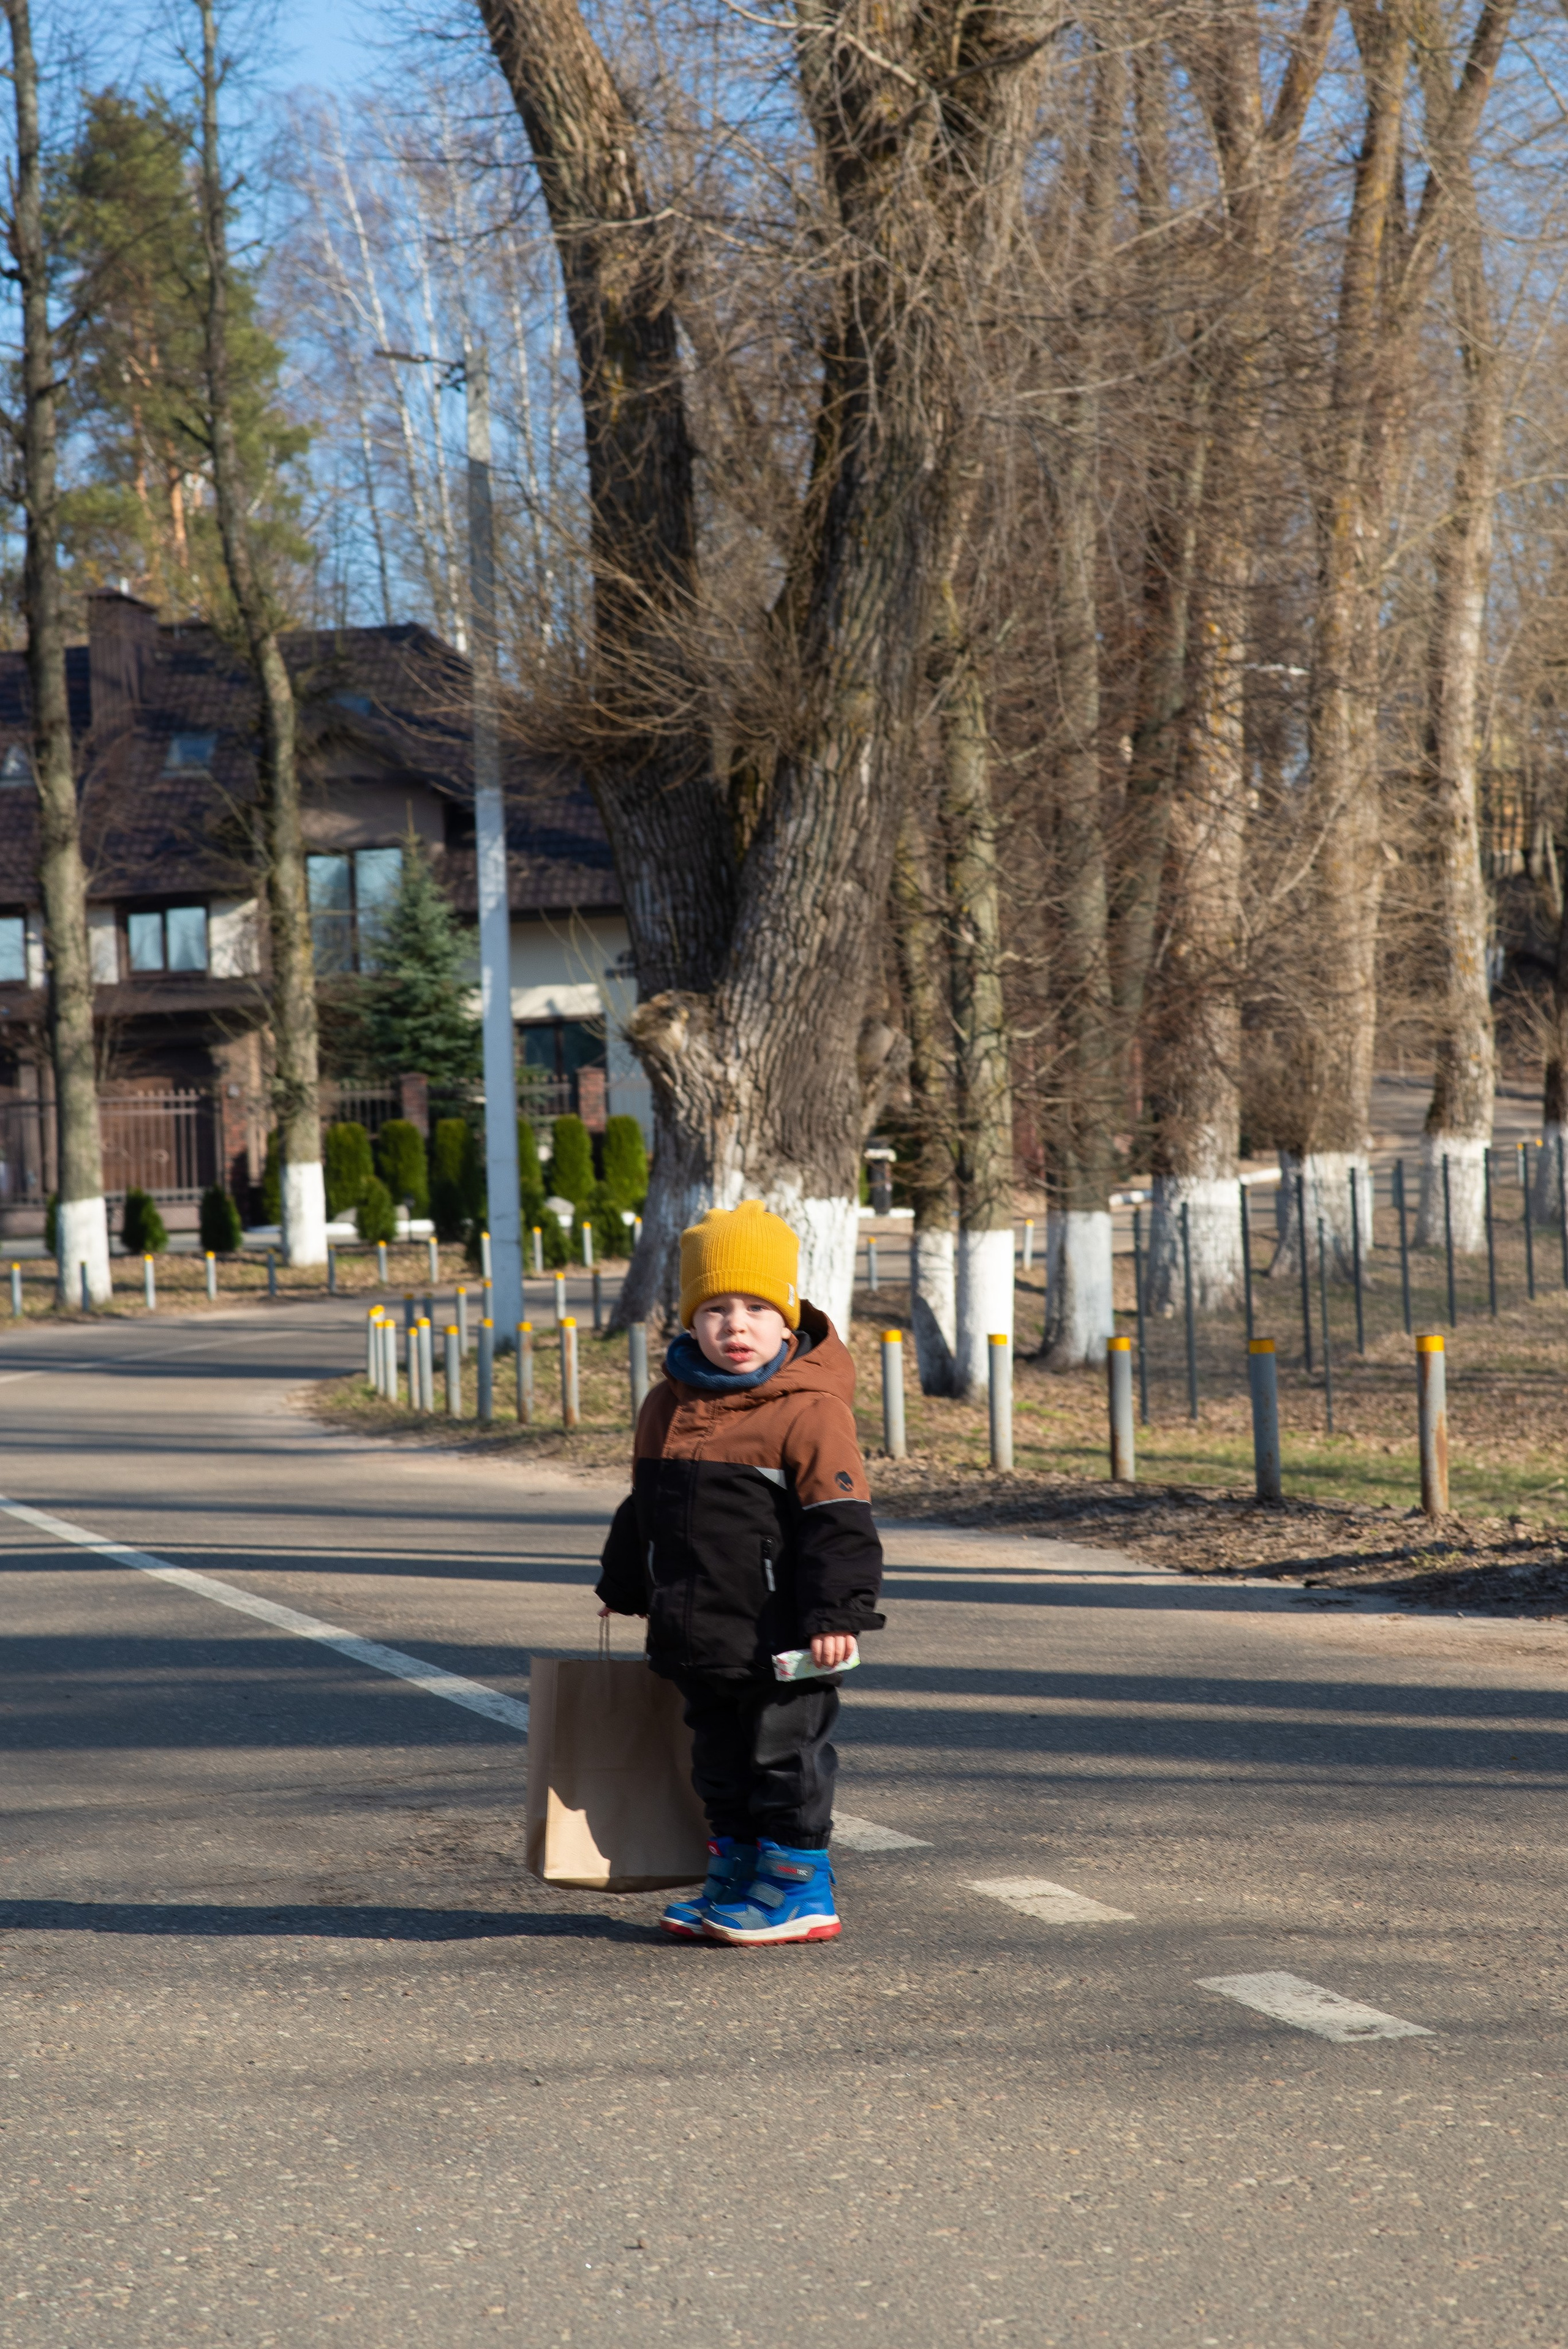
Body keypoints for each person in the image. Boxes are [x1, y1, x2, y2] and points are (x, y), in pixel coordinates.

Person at [595, 1199, 884, 1945]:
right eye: (716, 1308)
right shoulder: (668, 1403)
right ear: (690, 1321)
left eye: (757, 1307)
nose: (736, 1325)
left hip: (785, 1633)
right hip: (700, 1626)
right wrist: (625, 1583)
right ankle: (735, 1872)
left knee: (783, 1756)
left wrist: (836, 1615)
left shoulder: (810, 1411)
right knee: (717, 1758)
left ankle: (797, 1887)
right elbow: (646, 1504)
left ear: (788, 1320)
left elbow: (840, 1524)